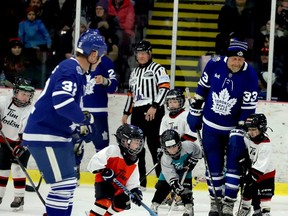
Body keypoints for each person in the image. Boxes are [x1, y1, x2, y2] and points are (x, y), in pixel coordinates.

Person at [21, 28, 107, 216]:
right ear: (93, 54)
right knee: (64, 184)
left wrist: (75, 131)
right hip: (45, 132)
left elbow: (65, 106)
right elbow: (62, 102)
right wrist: (84, 121)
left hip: (54, 132)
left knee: (68, 183)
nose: (100, 60)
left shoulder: (76, 71)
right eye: (100, 56)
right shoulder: (71, 68)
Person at [187, 38, 259, 216]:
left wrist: (241, 129)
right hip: (211, 126)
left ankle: (228, 203)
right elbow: (202, 89)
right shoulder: (214, 64)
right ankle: (215, 201)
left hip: (234, 126)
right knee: (213, 167)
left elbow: (248, 108)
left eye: (241, 60)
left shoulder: (250, 75)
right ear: (228, 57)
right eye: (234, 58)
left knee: (234, 165)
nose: (237, 62)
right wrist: (195, 111)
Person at [121, 39, 170, 189]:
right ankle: (140, 182)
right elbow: (131, 95)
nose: (141, 56)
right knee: (137, 148)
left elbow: (165, 88)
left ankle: (162, 183)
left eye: (144, 53)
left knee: (156, 148)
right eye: (138, 53)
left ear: (150, 54)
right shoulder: (134, 73)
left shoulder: (158, 69)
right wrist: (125, 113)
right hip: (137, 112)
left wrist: (155, 106)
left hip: (154, 111)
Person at [87, 124, 145, 216]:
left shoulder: (134, 160)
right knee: (104, 201)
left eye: (139, 142)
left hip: (119, 186)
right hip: (104, 182)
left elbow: (133, 181)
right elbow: (95, 160)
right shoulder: (113, 150)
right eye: (135, 142)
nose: (138, 145)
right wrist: (103, 170)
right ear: (124, 141)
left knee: (123, 203)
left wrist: (135, 191)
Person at [0, 77, 35, 209]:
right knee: (2, 168)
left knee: (17, 167)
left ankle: (19, 198)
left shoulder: (30, 110)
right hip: (5, 141)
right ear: (15, 92)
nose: (26, 98)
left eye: (28, 95)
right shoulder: (4, 100)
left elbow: (27, 133)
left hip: (24, 143)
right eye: (23, 94)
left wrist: (21, 146)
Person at [150, 129, 202, 216]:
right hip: (170, 172)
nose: (172, 150)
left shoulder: (189, 146)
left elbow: (199, 152)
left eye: (174, 146)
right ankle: (155, 204)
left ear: (179, 143)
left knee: (186, 190)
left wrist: (194, 159)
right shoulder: (165, 159)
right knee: (162, 187)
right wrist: (174, 183)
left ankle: (188, 206)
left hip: (185, 170)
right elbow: (170, 174)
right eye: (169, 148)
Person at [236, 113, 275, 216]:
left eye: (254, 130)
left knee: (265, 198)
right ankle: (245, 209)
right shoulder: (247, 137)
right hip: (254, 170)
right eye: (249, 129)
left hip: (266, 174)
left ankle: (263, 212)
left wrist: (249, 178)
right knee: (247, 194)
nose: (251, 132)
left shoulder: (265, 146)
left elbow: (260, 167)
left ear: (261, 129)